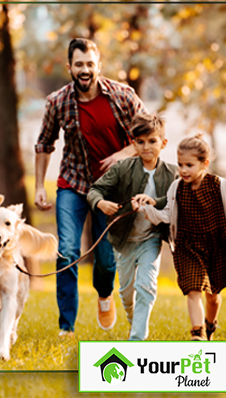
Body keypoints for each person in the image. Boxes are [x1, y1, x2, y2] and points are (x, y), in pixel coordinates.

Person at [34, 38, 147, 337]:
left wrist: (122, 154)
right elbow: (45, 144)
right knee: (68, 251)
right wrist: (38, 186)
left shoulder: (123, 96)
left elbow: (151, 134)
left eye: (90, 64)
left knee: (107, 261)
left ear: (99, 66)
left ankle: (104, 294)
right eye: (79, 64)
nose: (85, 70)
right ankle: (66, 326)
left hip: (112, 190)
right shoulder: (57, 102)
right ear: (69, 67)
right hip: (73, 184)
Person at [134, 135, 226, 341]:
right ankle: (197, 332)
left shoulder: (221, 186)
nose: (183, 170)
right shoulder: (176, 188)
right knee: (193, 289)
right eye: (180, 164)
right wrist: (147, 209)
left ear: (205, 163)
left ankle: (209, 325)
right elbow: (166, 215)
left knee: (213, 296)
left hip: (216, 245)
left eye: (189, 165)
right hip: (187, 246)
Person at [87, 113, 178, 341]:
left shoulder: (173, 173)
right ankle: (134, 322)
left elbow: (174, 201)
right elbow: (94, 190)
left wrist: (153, 204)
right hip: (124, 240)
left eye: (152, 141)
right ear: (133, 142)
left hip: (151, 239)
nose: (146, 147)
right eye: (140, 142)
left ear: (163, 143)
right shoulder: (123, 168)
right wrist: (101, 202)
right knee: (127, 294)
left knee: (146, 285)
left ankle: (137, 340)